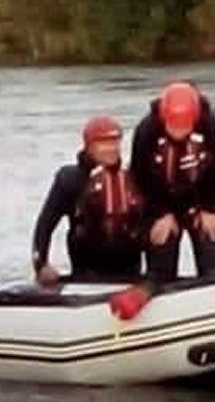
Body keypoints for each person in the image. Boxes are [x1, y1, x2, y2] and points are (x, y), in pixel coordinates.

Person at [130, 81, 215, 283]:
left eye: (184, 126)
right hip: (161, 198)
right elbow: (139, 174)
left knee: (208, 245)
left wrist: (209, 207)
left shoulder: (212, 126)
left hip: (201, 198)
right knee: (162, 252)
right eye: (174, 126)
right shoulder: (146, 130)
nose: (179, 133)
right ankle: (160, 288)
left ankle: (210, 284)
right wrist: (161, 212)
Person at [31, 115, 147, 286]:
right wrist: (41, 265)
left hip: (129, 270)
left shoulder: (133, 178)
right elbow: (45, 225)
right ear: (89, 147)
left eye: (115, 142)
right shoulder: (70, 180)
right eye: (104, 143)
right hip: (87, 272)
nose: (111, 149)